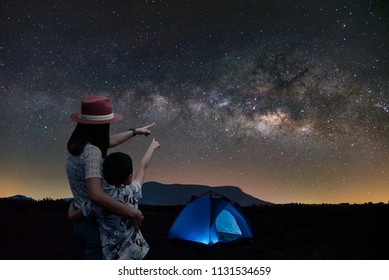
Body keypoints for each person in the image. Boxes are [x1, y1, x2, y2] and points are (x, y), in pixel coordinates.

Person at [66, 95, 154, 259]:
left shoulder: (77, 144)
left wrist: (135, 131)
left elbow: (108, 142)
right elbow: (95, 195)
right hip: (94, 224)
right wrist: (132, 213)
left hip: (80, 217)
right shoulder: (92, 151)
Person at [70, 138, 160, 260]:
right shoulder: (132, 190)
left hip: (113, 257)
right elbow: (143, 166)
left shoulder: (97, 201)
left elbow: (72, 216)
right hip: (137, 251)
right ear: (129, 177)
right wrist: (152, 146)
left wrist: (72, 204)